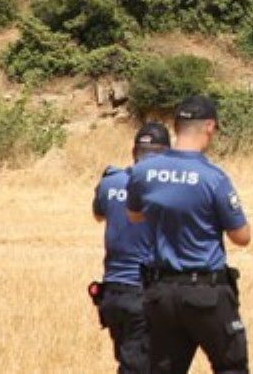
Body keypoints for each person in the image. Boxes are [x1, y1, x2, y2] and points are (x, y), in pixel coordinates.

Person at [126, 95, 252, 374]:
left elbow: (134, 216)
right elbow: (241, 236)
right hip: (205, 293)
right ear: (209, 127)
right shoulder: (213, 177)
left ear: (175, 126)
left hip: (160, 294)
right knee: (232, 365)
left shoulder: (143, 171)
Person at [93, 122, 172, 374]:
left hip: (112, 292)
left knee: (130, 359)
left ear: (133, 151)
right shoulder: (167, 190)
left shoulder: (110, 183)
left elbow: (98, 215)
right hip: (144, 291)